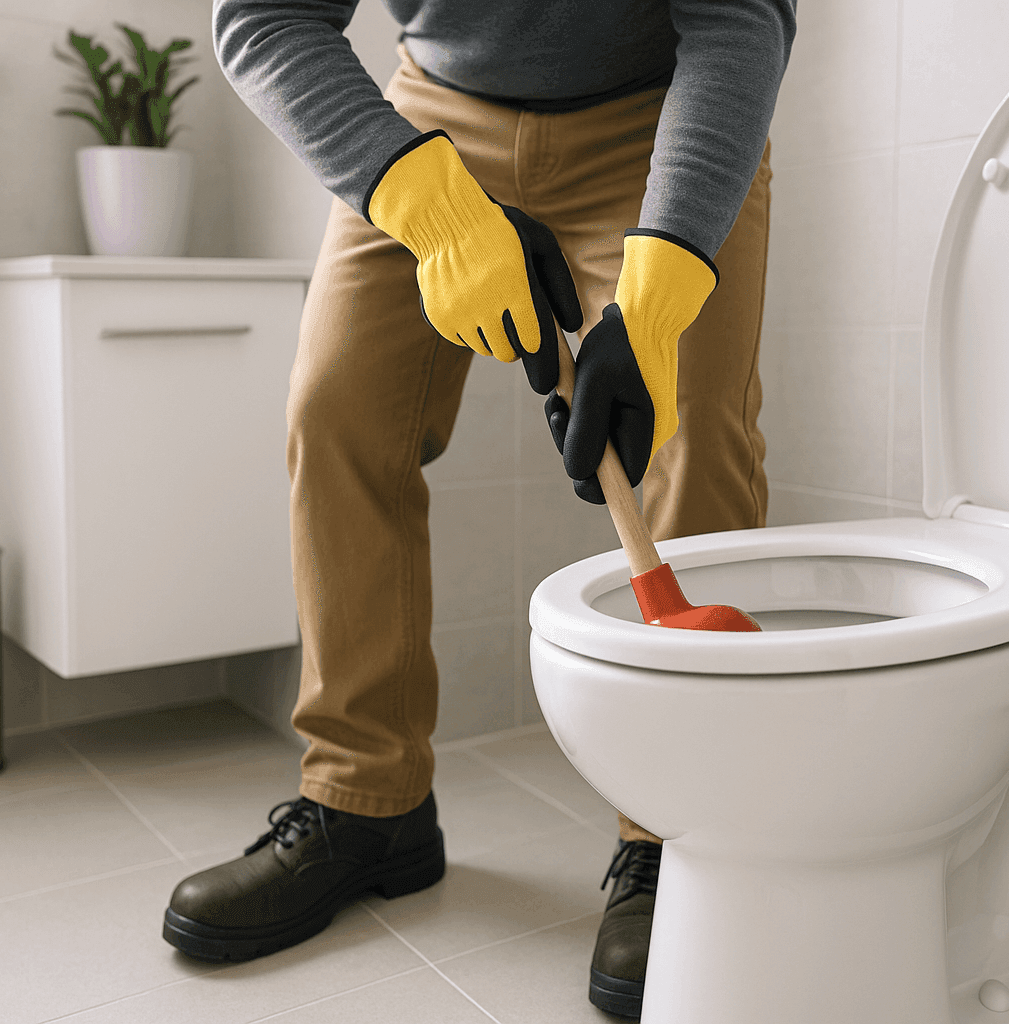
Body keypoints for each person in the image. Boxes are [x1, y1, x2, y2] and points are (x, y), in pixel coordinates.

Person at [163, 1, 794, 1017]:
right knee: (337, 411)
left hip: (656, 112)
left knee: (698, 435)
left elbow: (738, 18)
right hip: (433, 125)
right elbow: (264, 16)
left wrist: (665, 285)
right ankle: (368, 800)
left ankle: (675, 839)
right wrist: (434, 207)